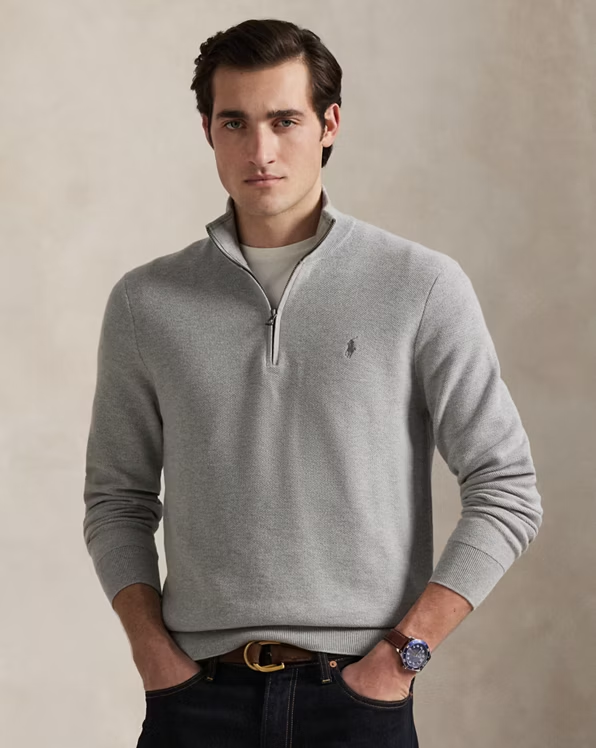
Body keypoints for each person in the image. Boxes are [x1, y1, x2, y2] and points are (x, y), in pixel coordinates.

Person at [82, 18, 543, 747]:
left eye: (284, 120)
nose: (260, 150)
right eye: (235, 122)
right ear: (207, 131)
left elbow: (507, 488)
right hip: (195, 700)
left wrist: (405, 655)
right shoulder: (147, 303)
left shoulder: (420, 286)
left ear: (329, 124)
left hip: (358, 697)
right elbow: (116, 500)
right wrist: (151, 654)